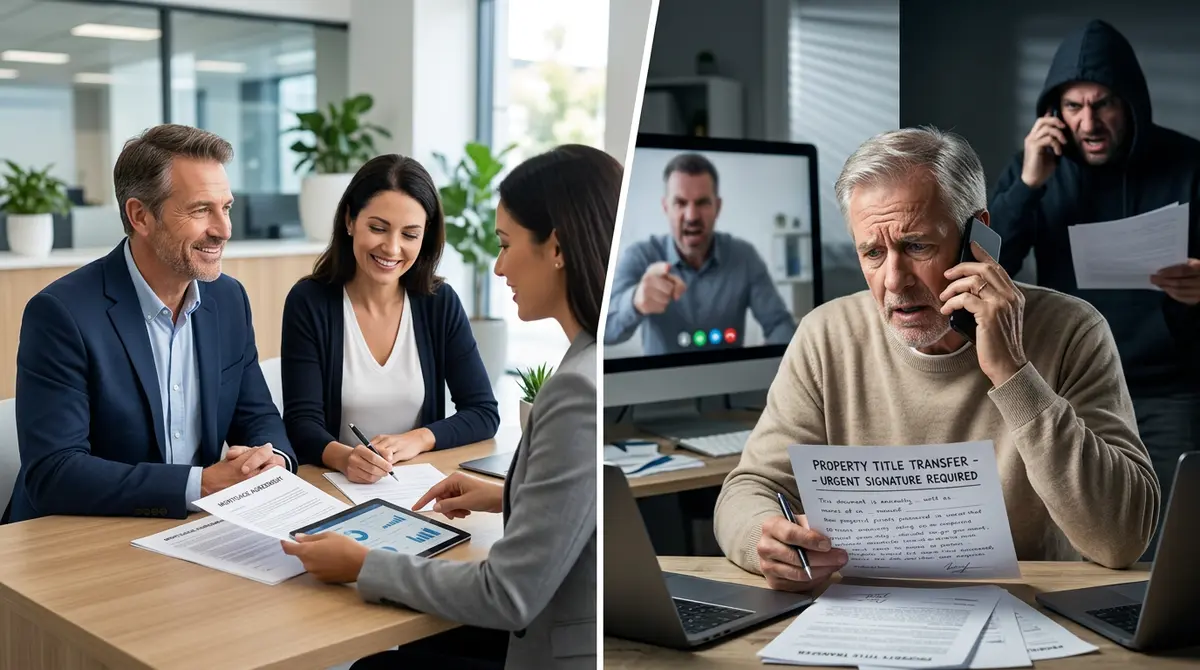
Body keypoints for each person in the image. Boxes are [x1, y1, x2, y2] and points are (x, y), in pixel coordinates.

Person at [713, 127, 1160, 593]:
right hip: (870, 616)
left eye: (916, 246)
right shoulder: (825, 335)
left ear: (978, 237)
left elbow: (1122, 540)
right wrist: (763, 539)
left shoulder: (1073, 330)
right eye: (872, 252)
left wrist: (1012, 371)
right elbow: (747, 491)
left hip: (1029, 611)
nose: (893, 281)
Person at [280, 144, 615, 669]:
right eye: (378, 227)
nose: (499, 265)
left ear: (557, 248)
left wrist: (365, 565)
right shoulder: (589, 363)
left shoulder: (577, 386)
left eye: (506, 244)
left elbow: (507, 593)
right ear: (349, 221)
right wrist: (508, 497)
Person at [3, 124, 296, 524]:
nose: (224, 230)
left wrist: (273, 459)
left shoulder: (228, 299)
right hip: (78, 537)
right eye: (200, 210)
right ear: (140, 216)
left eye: (225, 207)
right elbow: (54, 472)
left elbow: (258, 416)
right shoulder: (61, 313)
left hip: (193, 531)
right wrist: (200, 485)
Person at [989, 19, 1199, 558]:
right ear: (1053, 112)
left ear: (1130, 103)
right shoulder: (1036, 169)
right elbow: (984, 260)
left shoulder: (1188, 163)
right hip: (1075, 386)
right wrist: (1031, 182)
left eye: (1103, 103)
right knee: (1086, 545)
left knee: (1165, 546)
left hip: (1168, 386)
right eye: (1073, 106)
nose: (1089, 121)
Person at [280, 154, 499, 483]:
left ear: (425, 237)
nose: (392, 248)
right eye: (378, 228)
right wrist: (346, 458)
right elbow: (301, 424)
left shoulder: (438, 303)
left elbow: (483, 412)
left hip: (414, 485)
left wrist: (417, 439)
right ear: (350, 220)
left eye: (410, 235)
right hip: (336, 484)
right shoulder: (309, 302)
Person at [605, 152, 796, 354]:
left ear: (718, 207)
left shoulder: (744, 256)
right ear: (665, 207)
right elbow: (604, 332)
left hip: (729, 382)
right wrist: (635, 301)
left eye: (702, 203)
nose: (692, 216)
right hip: (660, 383)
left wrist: (768, 362)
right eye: (680, 203)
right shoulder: (639, 256)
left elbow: (779, 324)